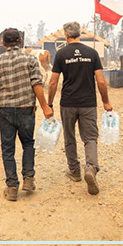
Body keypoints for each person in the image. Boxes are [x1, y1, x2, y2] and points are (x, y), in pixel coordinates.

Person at [0, 27, 53, 201]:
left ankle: (12, 187)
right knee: (28, 143)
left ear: (3, 43)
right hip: (26, 109)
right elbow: (37, 84)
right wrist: (45, 107)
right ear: (20, 41)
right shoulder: (29, 59)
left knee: (8, 149)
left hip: (6, 111)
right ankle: (28, 179)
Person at [47, 21, 112, 196]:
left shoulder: (61, 54)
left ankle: (74, 171)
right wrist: (105, 102)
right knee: (90, 137)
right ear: (80, 35)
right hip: (88, 103)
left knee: (69, 137)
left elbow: (53, 81)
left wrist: (49, 103)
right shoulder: (92, 53)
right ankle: (90, 167)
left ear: (66, 36)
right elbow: (100, 81)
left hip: (68, 103)